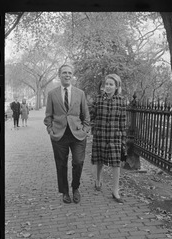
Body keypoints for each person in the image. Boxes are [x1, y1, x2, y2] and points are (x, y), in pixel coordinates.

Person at [44, 64, 90, 204]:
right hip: (59, 135)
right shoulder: (52, 94)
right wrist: (51, 130)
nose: (67, 75)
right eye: (64, 73)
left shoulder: (80, 93)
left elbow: (86, 116)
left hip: (77, 135)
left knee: (78, 162)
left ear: (72, 75)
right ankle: (65, 192)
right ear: (59, 75)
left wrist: (85, 131)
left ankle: (75, 188)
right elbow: (48, 116)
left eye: (70, 73)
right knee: (61, 164)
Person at [90, 74, 127, 204]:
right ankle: (98, 180)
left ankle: (115, 190)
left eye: (111, 84)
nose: (108, 87)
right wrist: (94, 129)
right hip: (100, 135)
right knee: (99, 160)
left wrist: (123, 138)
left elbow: (123, 121)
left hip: (114, 136)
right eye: (106, 84)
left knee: (116, 164)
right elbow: (91, 116)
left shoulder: (121, 101)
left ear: (116, 87)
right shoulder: (98, 99)